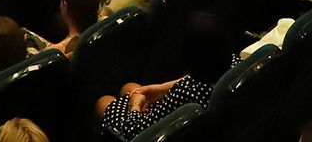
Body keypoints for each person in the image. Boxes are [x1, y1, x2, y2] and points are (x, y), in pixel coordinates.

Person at [96, 13, 234, 138]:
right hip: (211, 125)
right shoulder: (233, 63)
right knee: (130, 87)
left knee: (104, 102)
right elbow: (194, 80)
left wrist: (135, 105)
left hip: (155, 131)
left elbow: (132, 131)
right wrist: (161, 88)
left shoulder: (187, 92)